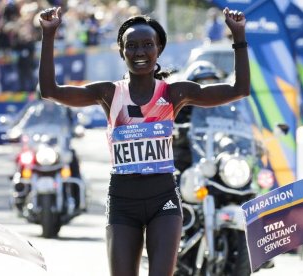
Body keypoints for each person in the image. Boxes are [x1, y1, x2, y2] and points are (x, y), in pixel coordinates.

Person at [38, 6, 249, 276]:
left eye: (147, 45)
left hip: (163, 199)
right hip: (123, 201)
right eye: (132, 46)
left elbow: (239, 89)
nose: (140, 52)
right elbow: (50, 91)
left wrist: (238, 36)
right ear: (121, 51)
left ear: (158, 49)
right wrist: (48, 35)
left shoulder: (175, 93)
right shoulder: (109, 93)